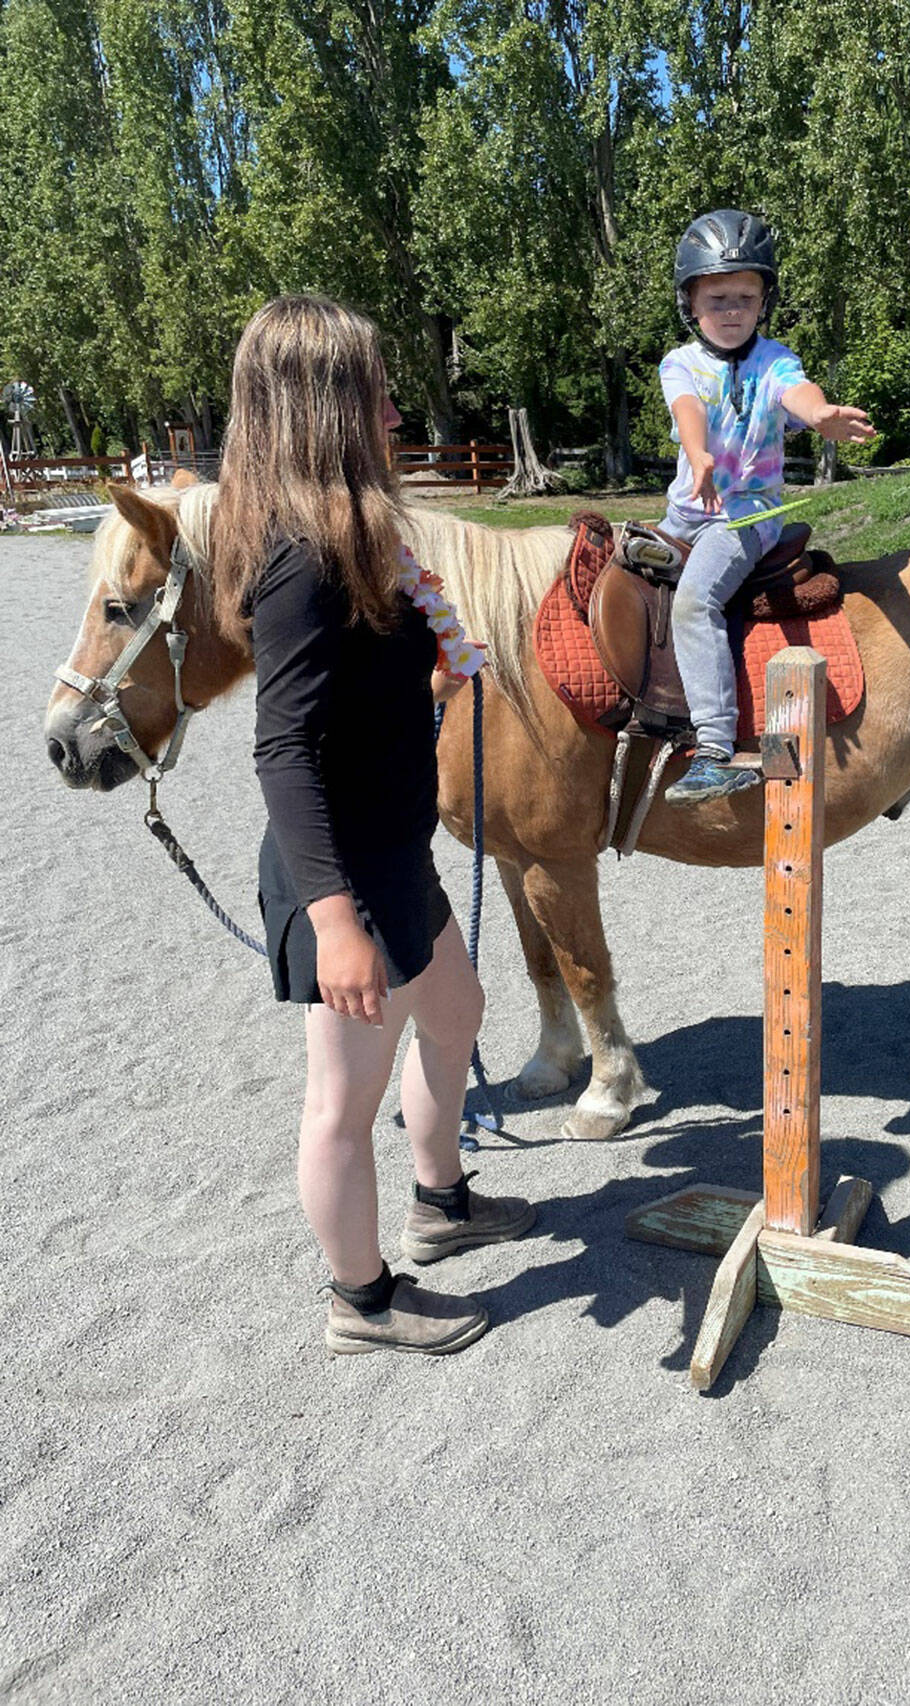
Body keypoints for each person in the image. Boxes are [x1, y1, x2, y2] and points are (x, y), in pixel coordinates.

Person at [210, 295, 534, 1358]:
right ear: (322, 411)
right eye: (377, 394)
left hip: (392, 854)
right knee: (338, 1104)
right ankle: (362, 1299)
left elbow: (353, 705)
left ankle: (438, 1199)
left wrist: (431, 674)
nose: (395, 414)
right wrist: (334, 918)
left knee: (458, 1011)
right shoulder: (300, 562)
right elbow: (282, 750)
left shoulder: (356, 540)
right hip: (341, 874)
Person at [658, 210, 877, 804]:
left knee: (696, 599)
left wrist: (820, 414)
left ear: (763, 304)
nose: (732, 310)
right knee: (626, 586)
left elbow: (795, 392)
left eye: (746, 297)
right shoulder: (680, 363)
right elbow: (688, 411)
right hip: (685, 511)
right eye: (718, 297)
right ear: (691, 303)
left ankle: (713, 748)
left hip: (745, 517)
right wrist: (698, 455)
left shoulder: (774, 359)